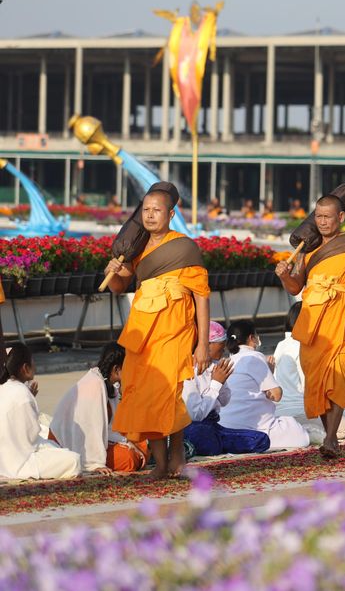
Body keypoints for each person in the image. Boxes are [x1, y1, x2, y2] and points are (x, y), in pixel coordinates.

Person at [104, 185, 211, 480]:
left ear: (171, 214)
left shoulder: (185, 247)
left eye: (157, 210)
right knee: (144, 397)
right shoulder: (136, 249)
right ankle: (161, 462)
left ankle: (176, 458)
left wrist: (202, 343)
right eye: (146, 211)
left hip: (174, 332)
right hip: (141, 334)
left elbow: (201, 296)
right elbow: (118, 287)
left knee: (168, 394)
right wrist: (112, 270)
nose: (150, 216)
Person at [276, 189, 345, 457]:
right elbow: (296, 286)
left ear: (341, 217)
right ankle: (330, 436)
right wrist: (285, 276)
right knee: (318, 380)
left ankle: (331, 438)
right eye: (318, 216)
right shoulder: (307, 249)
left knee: (339, 377)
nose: (322, 222)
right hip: (314, 322)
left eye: (328, 217)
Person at [49, 342, 146, 474]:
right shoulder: (95, 385)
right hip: (69, 441)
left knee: (141, 444)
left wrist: (128, 442)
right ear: (117, 369)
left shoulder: (109, 384)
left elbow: (112, 427)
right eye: (128, 368)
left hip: (99, 440)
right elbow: (91, 431)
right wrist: (95, 464)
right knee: (128, 458)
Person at [183, 321, 270, 457]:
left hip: (213, 427)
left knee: (261, 440)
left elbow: (224, 401)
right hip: (194, 427)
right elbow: (196, 416)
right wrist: (215, 384)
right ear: (207, 344)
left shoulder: (214, 366)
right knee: (202, 435)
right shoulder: (188, 370)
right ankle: (213, 444)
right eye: (221, 345)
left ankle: (217, 444)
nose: (224, 349)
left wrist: (221, 382)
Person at [219, 321, 309, 450]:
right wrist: (271, 375)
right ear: (251, 338)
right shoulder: (255, 356)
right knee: (300, 434)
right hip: (254, 426)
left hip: (226, 427)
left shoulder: (229, 361)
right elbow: (276, 395)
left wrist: (269, 373)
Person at [0, 344, 82, 480]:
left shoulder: (5, 388)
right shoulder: (22, 393)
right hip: (20, 461)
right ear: (25, 368)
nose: (35, 365)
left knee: (54, 444)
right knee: (73, 460)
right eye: (33, 362)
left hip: (4, 458)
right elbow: (32, 436)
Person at [272, 302, 306, 419]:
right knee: (343, 425)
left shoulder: (281, 344)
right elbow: (308, 386)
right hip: (300, 410)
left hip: (278, 411)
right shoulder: (302, 345)